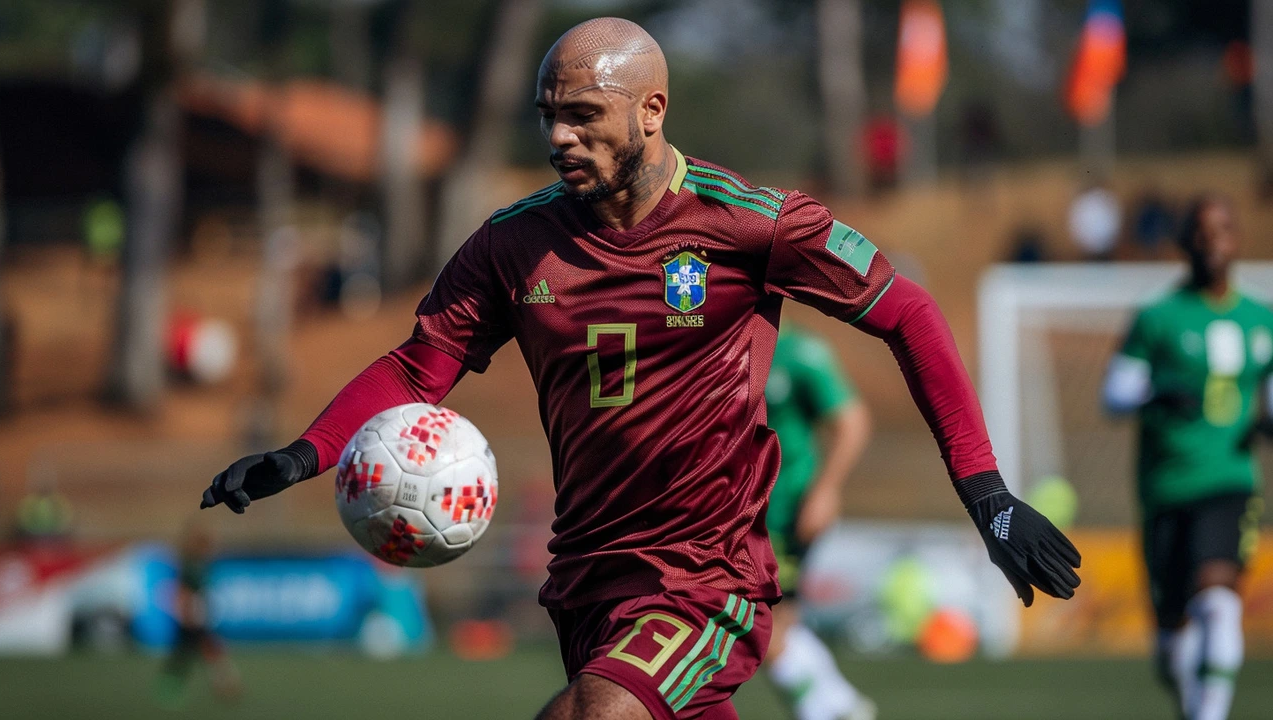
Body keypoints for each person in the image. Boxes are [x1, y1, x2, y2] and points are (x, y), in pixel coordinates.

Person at [202, 18, 1080, 720]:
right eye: (549, 113)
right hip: (587, 570)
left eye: (582, 114)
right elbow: (420, 364)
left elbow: (910, 314)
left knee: (602, 713)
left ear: (652, 110)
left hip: (707, 569)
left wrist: (988, 498)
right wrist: (302, 455)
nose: (558, 135)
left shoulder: (753, 223)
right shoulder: (513, 244)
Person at [1103, 196, 1273, 720]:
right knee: (1170, 646)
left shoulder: (1261, 319)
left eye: (1222, 229)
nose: (1212, 242)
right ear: (1185, 245)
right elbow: (1113, 395)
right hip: (1165, 488)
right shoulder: (1158, 318)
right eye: (1200, 232)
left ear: (1237, 238)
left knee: (1218, 600)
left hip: (1229, 480)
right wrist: (1154, 396)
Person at [763, 326, 875, 720]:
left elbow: (852, 420)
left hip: (783, 512)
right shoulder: (717, 345)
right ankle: (840, 705)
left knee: (763, 622)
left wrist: (825, 490)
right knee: (767, 622)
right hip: (737, 517)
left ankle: (829, 708)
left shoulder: (798, 352)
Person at [157, 521, 241, 705]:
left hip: (197, 615)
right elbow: (183, 591)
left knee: (194, 652)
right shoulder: (190, 566)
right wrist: (187, 614)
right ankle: (224, 683)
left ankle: (223, 683)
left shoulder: (200, 564)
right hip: (191, 617)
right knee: (193, 652)